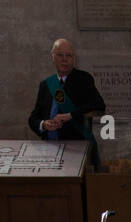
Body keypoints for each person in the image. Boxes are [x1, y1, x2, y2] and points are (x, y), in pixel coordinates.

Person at [28, 38, 105, 167]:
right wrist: (44, 124)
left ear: (73, 58)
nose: (65, 59)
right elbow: (33, 118)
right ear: (53, 57)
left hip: (76, 150)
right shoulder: (46, 85)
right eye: (60, 55)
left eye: (68, 55)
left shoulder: (83, 79)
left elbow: (98, 104)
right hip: (49, 151)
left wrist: (70, 115)